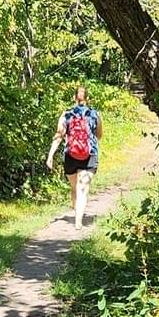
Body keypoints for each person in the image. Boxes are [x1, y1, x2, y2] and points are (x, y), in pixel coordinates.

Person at [46, 85, 102, 229]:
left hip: (70, 155)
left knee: (74, 187)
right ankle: (78, 221)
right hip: (90, 155)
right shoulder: (95, 114)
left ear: (74, 97)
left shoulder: (66, 115)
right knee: (82, 188)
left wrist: (50, 156)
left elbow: (58, 137)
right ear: (87, 98)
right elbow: (99, 136)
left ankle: (76, 213)